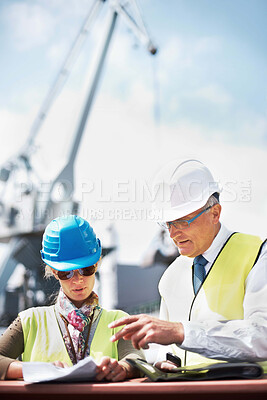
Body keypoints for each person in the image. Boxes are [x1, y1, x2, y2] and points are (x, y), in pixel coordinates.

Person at [109, 159, 267, 372]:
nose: (173, 233)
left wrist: (182, 332)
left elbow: (262, 336)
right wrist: (164, 360)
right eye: (168, 224)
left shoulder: (258, 253)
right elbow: (165, 350)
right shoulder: (171, 276)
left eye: (183, 221)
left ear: (215, 213)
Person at [0, 215, 143, 381]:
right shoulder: (28, 321)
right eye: (66, 273)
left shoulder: (120, 321)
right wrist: (33, 369)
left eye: (86, 269)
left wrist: (123, 368)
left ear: (97, 264)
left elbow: (136, 360)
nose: (78, 279)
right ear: (54, 272)